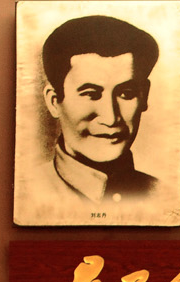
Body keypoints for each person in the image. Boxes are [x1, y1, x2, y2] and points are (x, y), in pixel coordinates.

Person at [24, 14, 160, 208]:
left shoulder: (165, 197)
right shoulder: (25, 193)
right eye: (91, 94)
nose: (111, 118)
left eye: (126, 94)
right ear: (54, 102)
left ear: (144, 96)